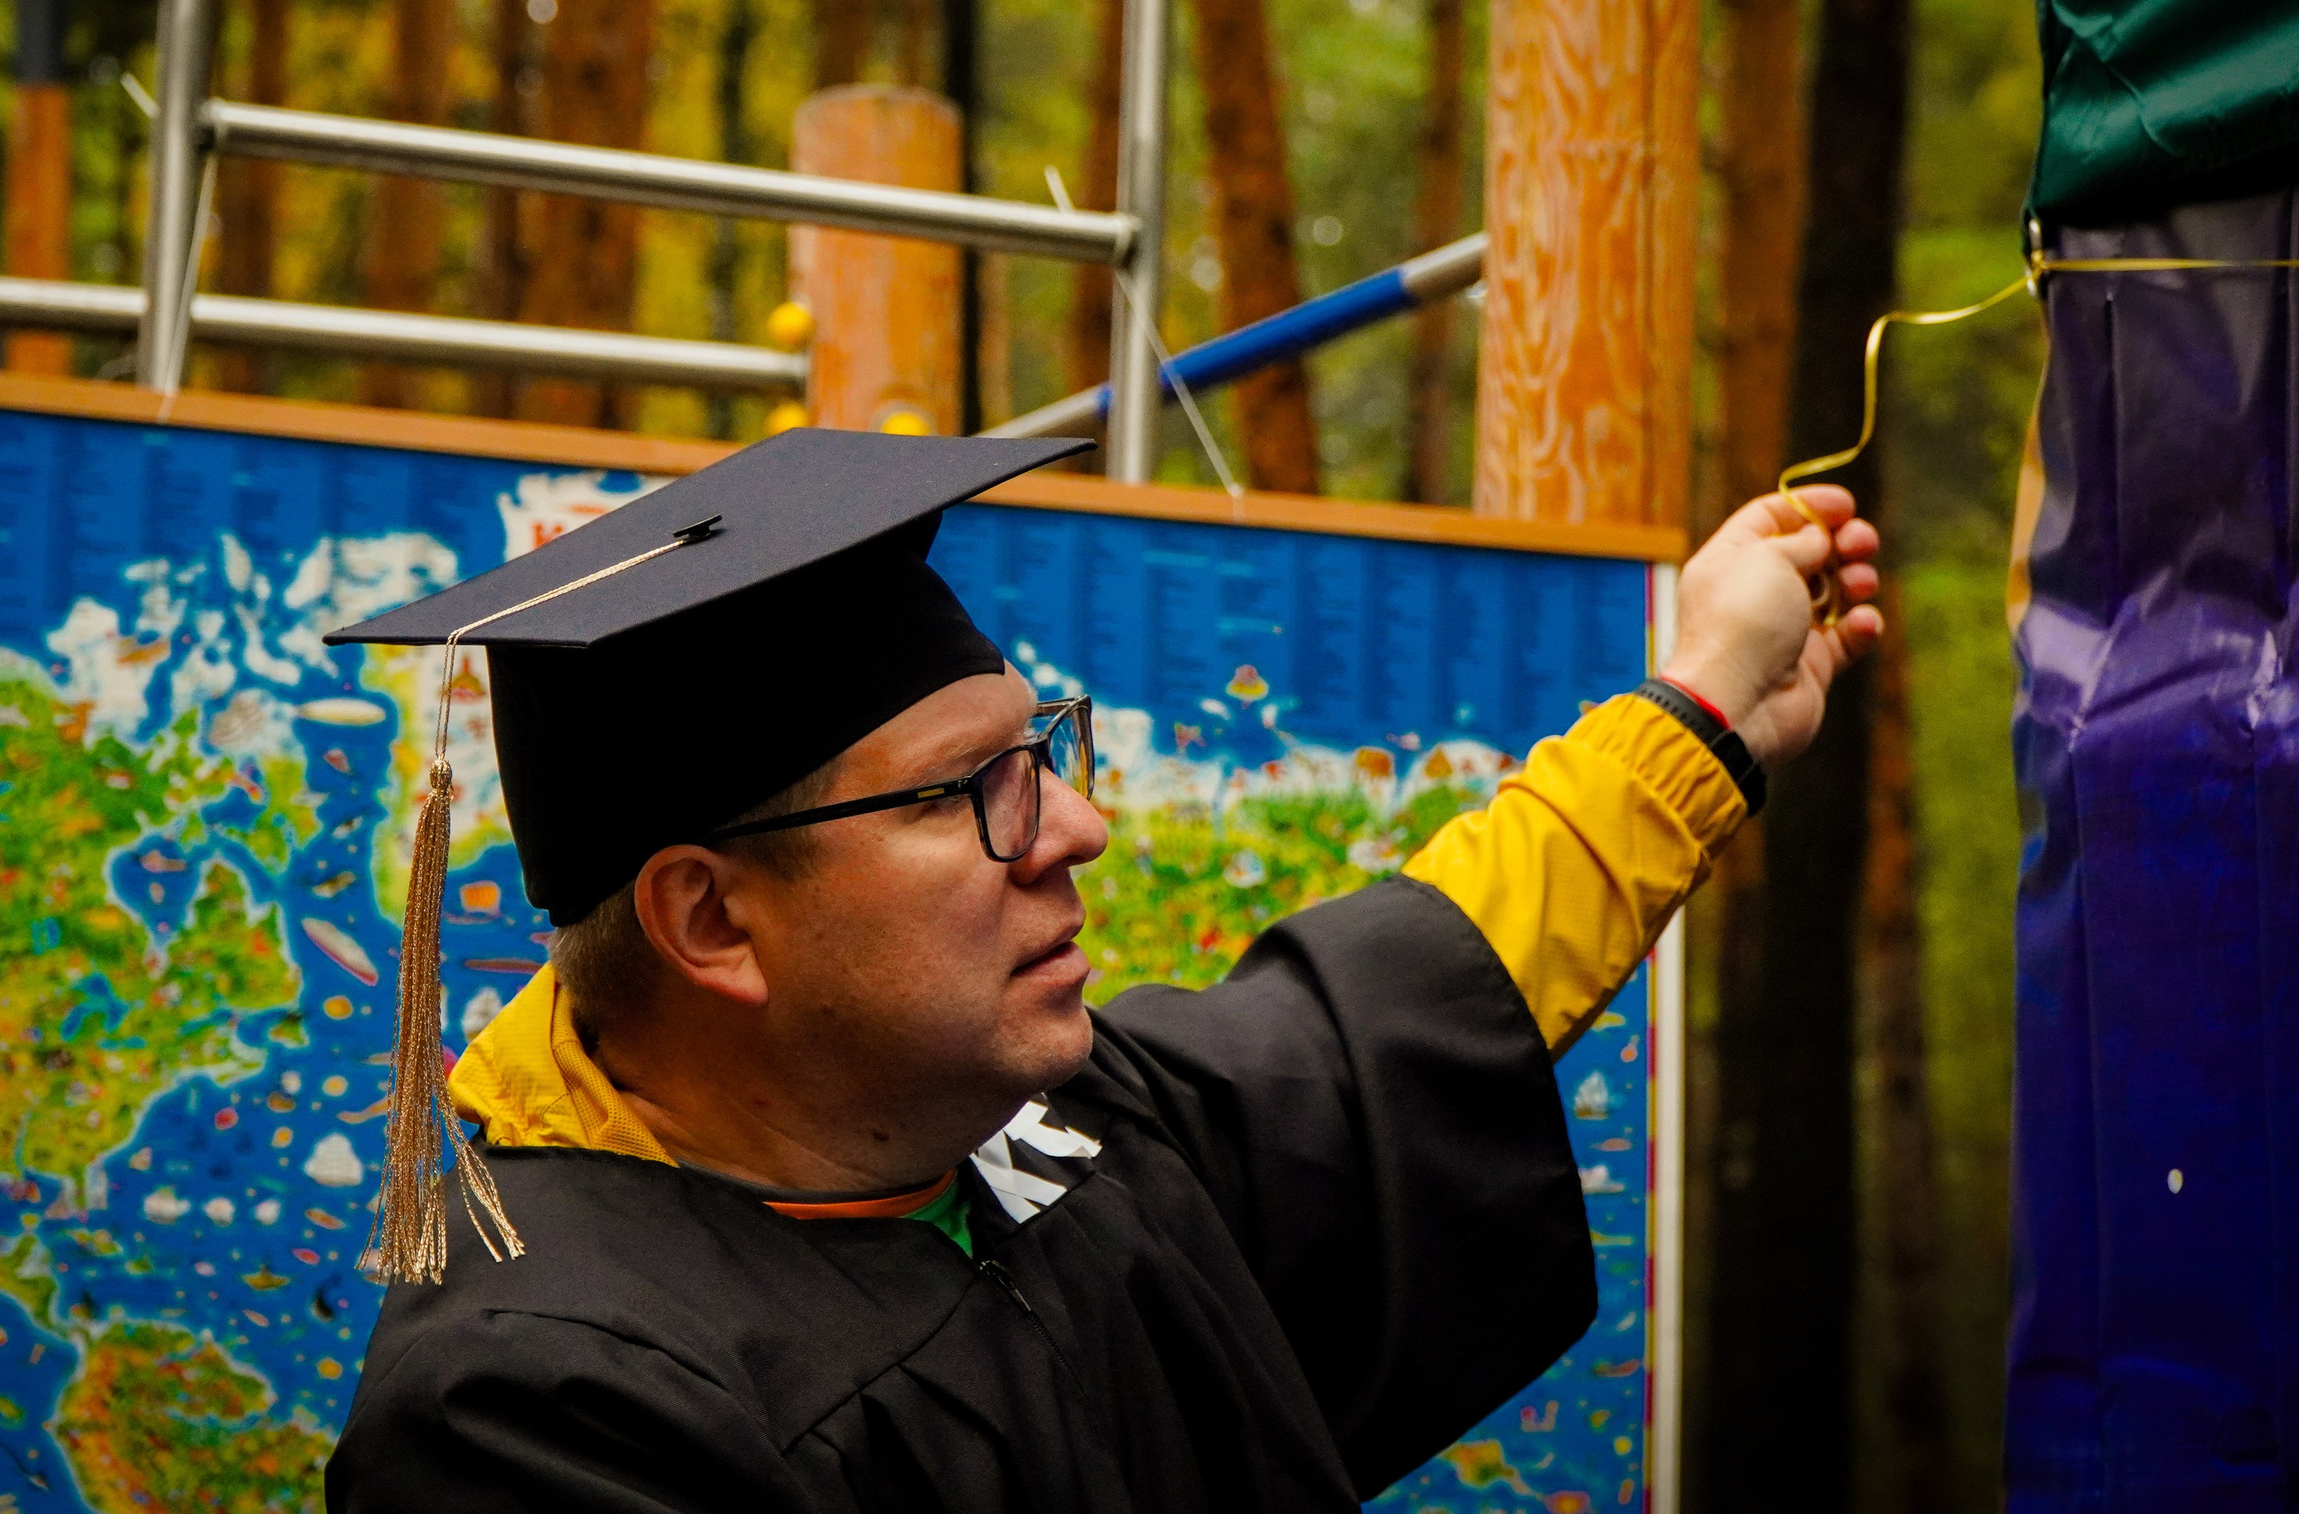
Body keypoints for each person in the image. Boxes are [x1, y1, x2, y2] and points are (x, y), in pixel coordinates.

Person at [320, 429, 1881, 1513]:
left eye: (1041, 752)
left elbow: (1393, 999)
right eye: (966, 788)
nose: (1077, 826)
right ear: (713, 924)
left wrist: (1706, 710)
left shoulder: (1009, 1136)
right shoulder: (540, 1426)